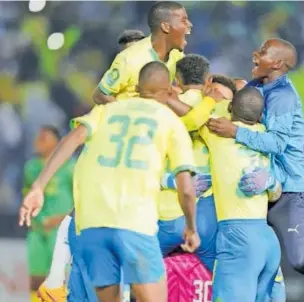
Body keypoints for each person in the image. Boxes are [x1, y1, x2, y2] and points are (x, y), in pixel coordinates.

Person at [19, 62, 200, 302]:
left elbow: (72, 140)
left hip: (94, 226)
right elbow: (186, 189)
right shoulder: (171, 123)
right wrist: (191, 227)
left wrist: (38, 186)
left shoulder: (106, 110)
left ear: (137, 87)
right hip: (136, 224)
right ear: (168, 92)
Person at [206, 38, 304, 302]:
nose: (256, 53)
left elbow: (277, 143)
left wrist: (235, 131)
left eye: (263, 52)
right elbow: (237, 94)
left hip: (292, 188)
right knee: (249, 242)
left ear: (276, 63)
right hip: (265, 181)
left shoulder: (283, 96)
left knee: (300, 259)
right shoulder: (258, 86)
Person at [37, 29, 150, 302]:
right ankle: (54, 281)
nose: (130, 63)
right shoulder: (105, 111)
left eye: (136, 56)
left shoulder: (160, 109)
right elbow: (77, 142)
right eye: (124, 57)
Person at [200, 86, 281, 302]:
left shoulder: (217, 131)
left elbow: (192, 115)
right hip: (267, 240)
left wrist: (210, 98)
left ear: (230, 107)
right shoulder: (265, 136)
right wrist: (270, 182)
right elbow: (275, 193)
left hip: (238, 237)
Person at [158, 55, 225, 272]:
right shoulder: (223, 108)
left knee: (144, 279)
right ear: (209, 80)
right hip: (207, 207)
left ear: (176, 80)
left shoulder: (163, 109)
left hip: (166, 210)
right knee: (216, 276)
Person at [92, 1, 192, 104]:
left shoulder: (177, 56)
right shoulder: (129, 59)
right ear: (165, 27)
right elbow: (100, 95)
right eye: (183, 21)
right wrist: (132, 115)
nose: (190, 25)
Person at [23, 126, 74, 302]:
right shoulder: (31, 167)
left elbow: (80, 198)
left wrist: (61, 218)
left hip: (60, 231)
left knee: (61, 279)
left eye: (44, 138)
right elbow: (26, 193)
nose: (39, 141)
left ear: (58, 143)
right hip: (37, 230)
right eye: (38, 137)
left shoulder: (70, 167)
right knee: (35, 279)